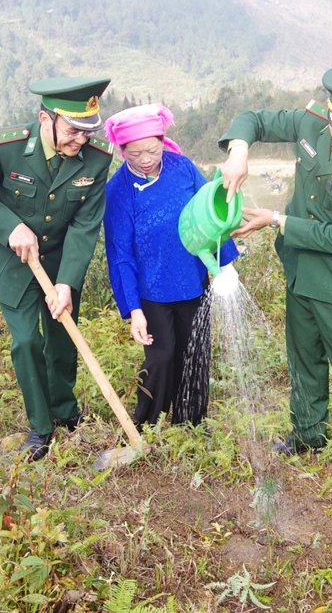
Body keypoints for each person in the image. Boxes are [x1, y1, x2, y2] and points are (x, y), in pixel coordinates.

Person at [220, 65, 332, 487]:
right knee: (303, 357)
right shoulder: (313, 120)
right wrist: (239, 150)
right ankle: (307, 434)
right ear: (331, 114)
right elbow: (253, 119)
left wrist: (276, 220)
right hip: (299, 266)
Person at [0, 77, 114, 461]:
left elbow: (84, 224)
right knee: (27, 341)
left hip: (61, 260)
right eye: (73, 131)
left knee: (62, 336)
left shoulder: (98, 156)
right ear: (46, 118)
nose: (81, 140)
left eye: (88, 131)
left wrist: (67, 282)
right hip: (14, 262)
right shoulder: (3, 146)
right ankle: (41, 426)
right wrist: (10, 226)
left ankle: (64, 410)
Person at [102, 104, 238, 428]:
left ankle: (190, 423)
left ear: (163, 140)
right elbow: (120, 254)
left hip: (192, 280)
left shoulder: (183, 168)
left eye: (152, 149)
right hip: (151, 290)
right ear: (122, 151)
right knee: (161, 357)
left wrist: (225, 264)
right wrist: (134, 309)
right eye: (135, 154)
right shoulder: (118, 191)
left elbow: (212, 212)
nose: (146, 158)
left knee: (195, 353)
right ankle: (147, 426)